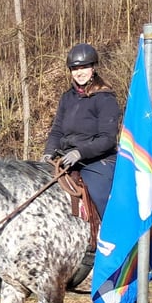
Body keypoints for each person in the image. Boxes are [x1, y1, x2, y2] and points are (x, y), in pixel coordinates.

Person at [42, 43, 120, 218]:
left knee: (97, 193)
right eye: (75, 68)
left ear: (93, 68)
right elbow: (57, 131)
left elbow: (107, 138)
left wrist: (80, 152)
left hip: (99, 160)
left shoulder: (104, 98)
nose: (79, 72)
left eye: (84, 67)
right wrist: (48, 153)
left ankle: (109, 235)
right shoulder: (66, 98)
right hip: (67, 158)